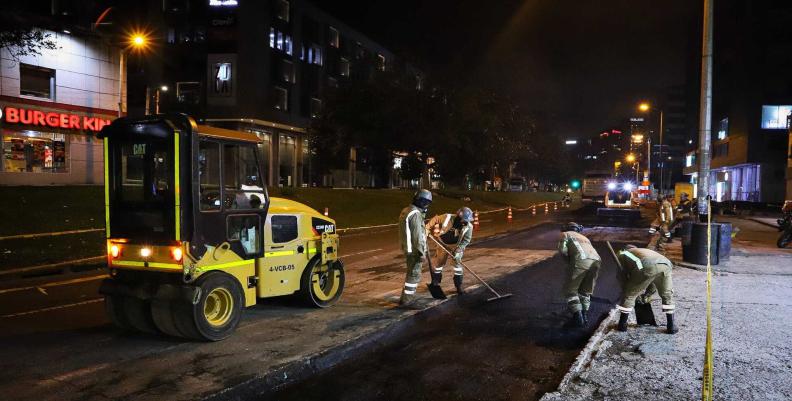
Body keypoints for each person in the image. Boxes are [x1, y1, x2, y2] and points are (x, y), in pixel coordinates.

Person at [615, 245, 678, 334]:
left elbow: (621, 275)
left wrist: (630, 290)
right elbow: (653, 279)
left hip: (645, 266)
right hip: (666, 265)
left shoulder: (622, 253)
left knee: (629, 295)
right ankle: (671, 326)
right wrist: (648, 294)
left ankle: (622, 325)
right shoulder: (643, 251)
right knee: (667, 295)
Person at [557, 222, 601, 328]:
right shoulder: (584, 238)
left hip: (580, 261)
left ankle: (578, 318)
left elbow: (562, 250)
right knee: (585, 291)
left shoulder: (565, 234)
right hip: (597, 261)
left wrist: (570, 262)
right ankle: (584, 316)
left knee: (570, 291)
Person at [425, 207, 474, 294]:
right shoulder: (447, 217)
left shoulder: (469, 226)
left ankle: (458, 286)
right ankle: (435, 282)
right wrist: (427, 228)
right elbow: (436, 219)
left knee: (457, 265)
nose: (466, 221)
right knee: (439, 264)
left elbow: (466, 240)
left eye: (467, 220)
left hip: (456, 246)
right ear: (459, 216)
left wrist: (459, 249)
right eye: (464, 219)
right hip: (442, 243)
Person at [398, 189, 432, 306]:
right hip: (414, 250)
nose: (427, 206)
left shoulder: (406, 211)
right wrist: (421, 252)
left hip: (407, 248)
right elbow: (417, 237)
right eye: (427, 203)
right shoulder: (415, 214)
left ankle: (405, 298)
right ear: (422, 202)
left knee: (410, 273)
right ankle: (407, 301)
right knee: (414, 275)